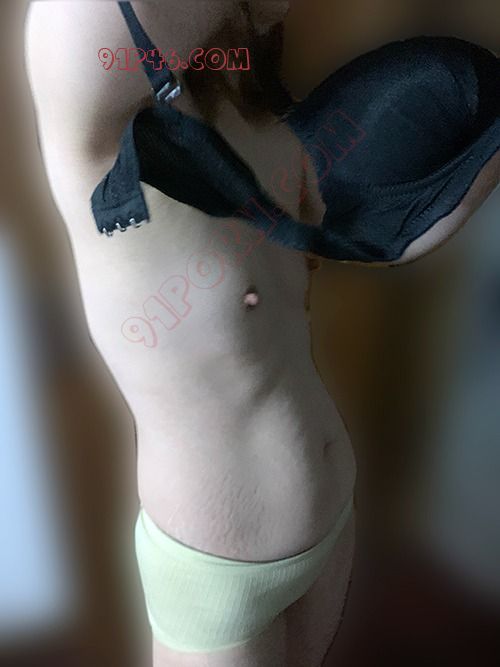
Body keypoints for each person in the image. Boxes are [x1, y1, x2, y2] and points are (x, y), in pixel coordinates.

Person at [24, 2, 499, 666]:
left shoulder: (257, 117)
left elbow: (375, 241)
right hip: (220, 569)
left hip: (329, 522)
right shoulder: (96, 120)